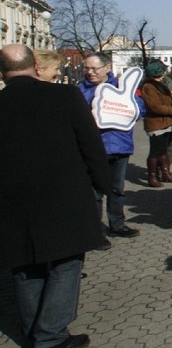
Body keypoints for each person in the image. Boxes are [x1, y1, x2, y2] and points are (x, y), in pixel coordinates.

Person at [0, 44, 111, 348]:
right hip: (64, 198)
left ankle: (33, 330)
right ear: (35, 65)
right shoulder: (64, 96)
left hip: (12, 204)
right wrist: (104, 184)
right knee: (66, 265)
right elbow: (91, 145)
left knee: (25, 268)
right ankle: (49, 335)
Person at [78, 52, 142, 245]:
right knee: (95, 192)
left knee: (117, 189)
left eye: (94, 68)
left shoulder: (121, 87)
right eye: (86, 68)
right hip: (94, 148)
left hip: (120, 146)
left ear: (106, 68)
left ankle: (117, 225)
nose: (90, 72)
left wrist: (129, 109)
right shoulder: (80, 90)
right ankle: (95, 233)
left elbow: (139, 109)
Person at [139, 61, 172, 188]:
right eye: (161, 73)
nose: (163, 75)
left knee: (163, 151)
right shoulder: (149, 87)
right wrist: (171, 110)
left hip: (165, 123)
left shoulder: (159, 84)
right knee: (155, 152)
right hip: (156, 124)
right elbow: (155, 106)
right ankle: (152, 176)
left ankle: (165, 173)